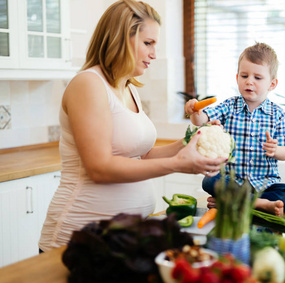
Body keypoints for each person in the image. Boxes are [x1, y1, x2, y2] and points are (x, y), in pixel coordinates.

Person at [38, 0, 226, 252]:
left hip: (127, 237)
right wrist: (178, 165)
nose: (154, 54)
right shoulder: (88, 84)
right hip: (81, 239)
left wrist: (194, 141)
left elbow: (142, 155)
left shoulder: (128, 88)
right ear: (120, 38)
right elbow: (99, 168)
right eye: (148, 43)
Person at [184, 42, 285, 216]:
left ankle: (234, 201)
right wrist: (194, 110)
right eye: (244, 76)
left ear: (272, 84)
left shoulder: (277, 114)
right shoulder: (229, 106)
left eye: (258, 78)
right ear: (237, 77)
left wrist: (275, 150)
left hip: (265, 185)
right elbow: (201, 120)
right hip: (232, 181)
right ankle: (257, 204)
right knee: (209, 181)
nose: (249, 82)